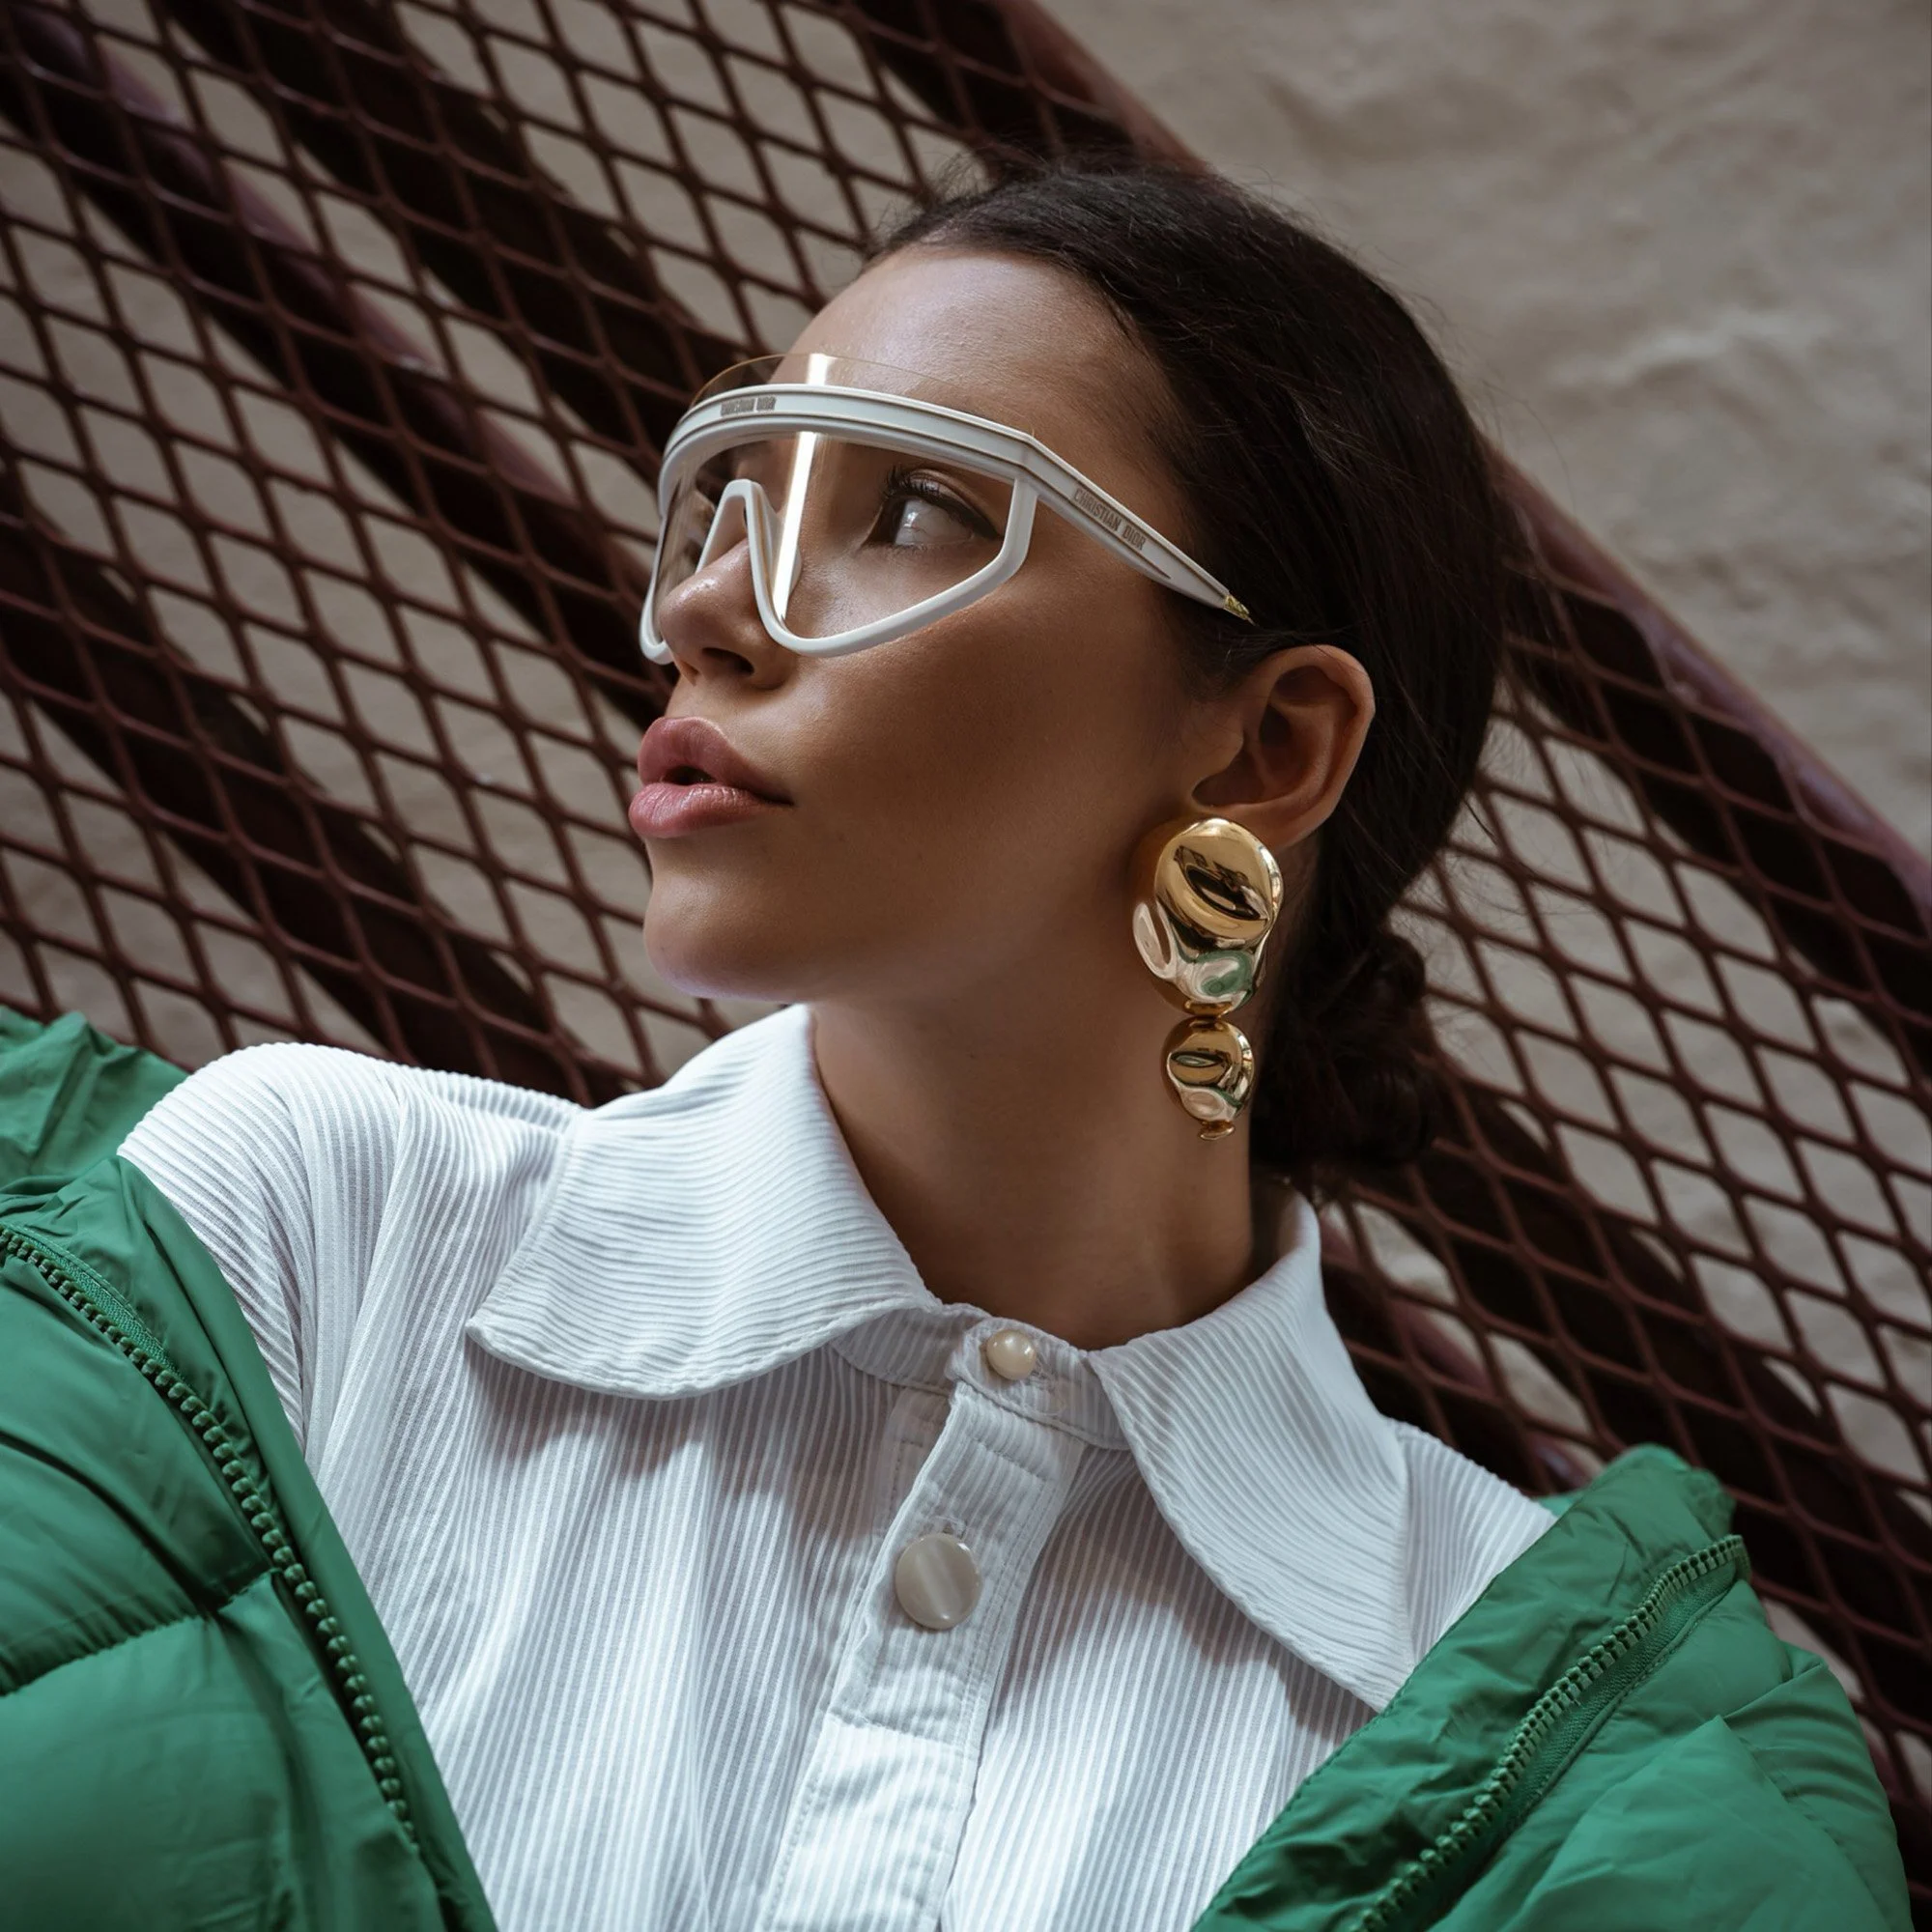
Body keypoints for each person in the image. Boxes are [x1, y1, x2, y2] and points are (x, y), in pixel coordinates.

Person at [90, 161, 1905, 1929]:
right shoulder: (314, 1236)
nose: (711, 613)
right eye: (733, 501)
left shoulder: (1539, 1734)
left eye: (910, 513)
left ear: (1269, 750)